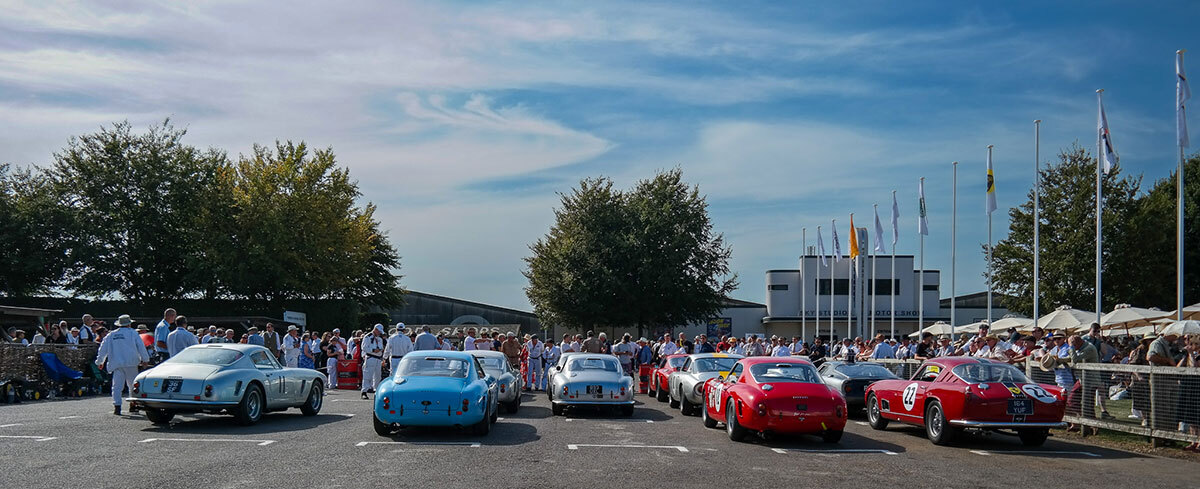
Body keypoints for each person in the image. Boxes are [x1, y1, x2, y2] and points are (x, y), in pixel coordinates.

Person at [95, 315, 150, 415]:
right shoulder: (133, 333)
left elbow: (103, 349)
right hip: (131, 362)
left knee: (116, 386)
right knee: (132, 385)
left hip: (117, 363)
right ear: (129, 323)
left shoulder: (111, 335)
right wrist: (145, 359)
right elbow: (141, 347)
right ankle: (133, 405)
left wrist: (100, 362)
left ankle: (117, 406)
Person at [360, 324, 386, 399]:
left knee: (378, 376)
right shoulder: (367, 337)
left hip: (378, 358)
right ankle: (364, 391)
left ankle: (376, 390)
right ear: (375, 329)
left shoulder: (379, 339)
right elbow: (364, 347)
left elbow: (381, 347)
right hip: (370, 357)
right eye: (379, 331)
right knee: (367, 375)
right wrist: (373, 350)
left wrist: (380, 350)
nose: (379, 333)